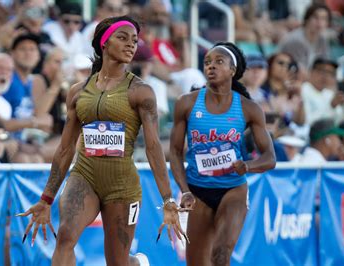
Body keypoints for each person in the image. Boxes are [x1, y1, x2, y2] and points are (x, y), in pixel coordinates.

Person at [17, 16, 186, 265]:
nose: (131, 45)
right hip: (84, 175)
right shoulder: (78, 91)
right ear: (104, 43)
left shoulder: (141, 91)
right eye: (123, 38)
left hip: (122, 185)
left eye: (135, 41)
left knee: (117, 262)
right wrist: (46, 199)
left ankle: (137, 262)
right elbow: (65, 148)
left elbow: (152, 148)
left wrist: (168, 199)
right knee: (65, 237)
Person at [169, 42, 276, 265]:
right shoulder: (186, 103)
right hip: (198, 190)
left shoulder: (249, 108)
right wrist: (184, 190)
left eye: (219, 62)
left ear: (232, 71)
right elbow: (175, 152)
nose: (211, 66)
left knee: (221, 254)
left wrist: (248, 166)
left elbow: (270, 158)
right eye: (207, 62)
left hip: (233, 189)